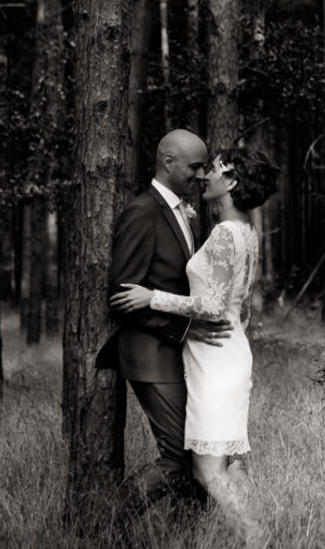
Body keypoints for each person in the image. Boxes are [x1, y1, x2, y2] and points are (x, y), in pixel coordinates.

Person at [112, 146, 279, 543]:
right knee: (228, 461)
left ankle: (261, 545)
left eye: (215, 170)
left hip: (217, 362)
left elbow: (214, 306)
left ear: (232, 182)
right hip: (229, 352)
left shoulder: (224, 234)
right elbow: (240, 309)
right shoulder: (246, 232)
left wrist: (152, 297)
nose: (206, 176)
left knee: (207, 471)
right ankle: (260, 541)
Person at [99, 129, 231, 514]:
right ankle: (104, 523)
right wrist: (184, 329)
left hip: (174, 353)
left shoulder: (180, 212)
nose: (201, 174)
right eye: (195, 166)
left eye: (205, 167)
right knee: (179, 456)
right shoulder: (142, 212)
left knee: (195, 453)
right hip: (149, 354)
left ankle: (184, 537)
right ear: (168, 162)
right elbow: (122, 296)